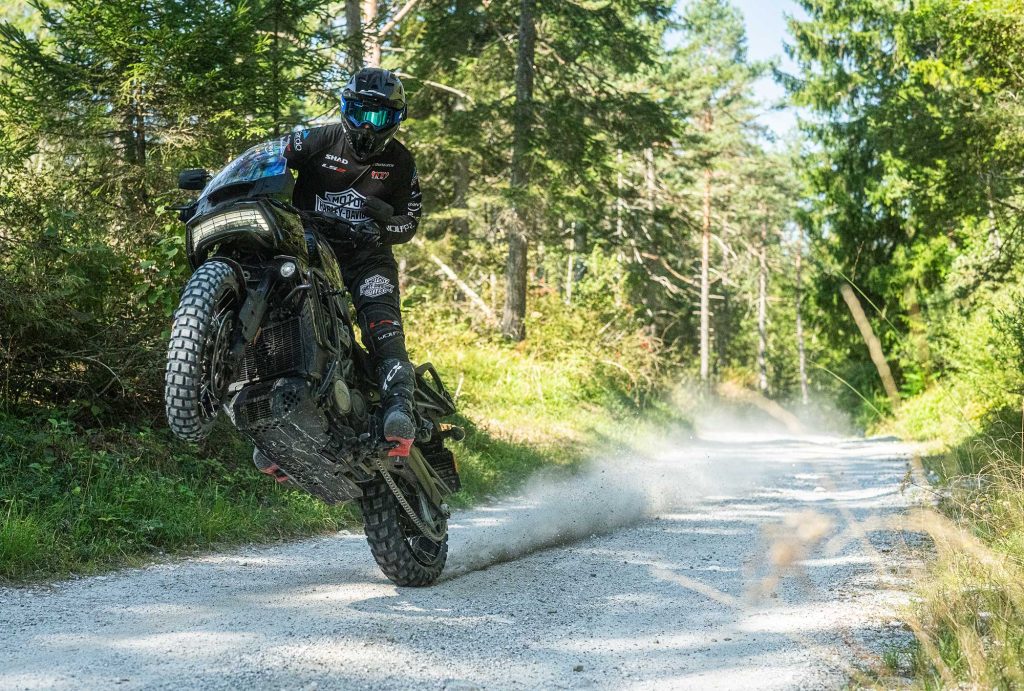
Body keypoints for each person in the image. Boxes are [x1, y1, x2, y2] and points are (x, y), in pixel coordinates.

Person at [280, 67, 422, 457]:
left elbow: (409, 221)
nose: (367, 125)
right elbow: (268, 158)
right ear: (344, 107)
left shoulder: (401, 162)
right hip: (309, 252)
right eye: (359, 112)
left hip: (368, 260)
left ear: (395, 119)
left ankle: (399, 409)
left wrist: (381, 231)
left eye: (378, 117)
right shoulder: (317, 139)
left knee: (382, 328)